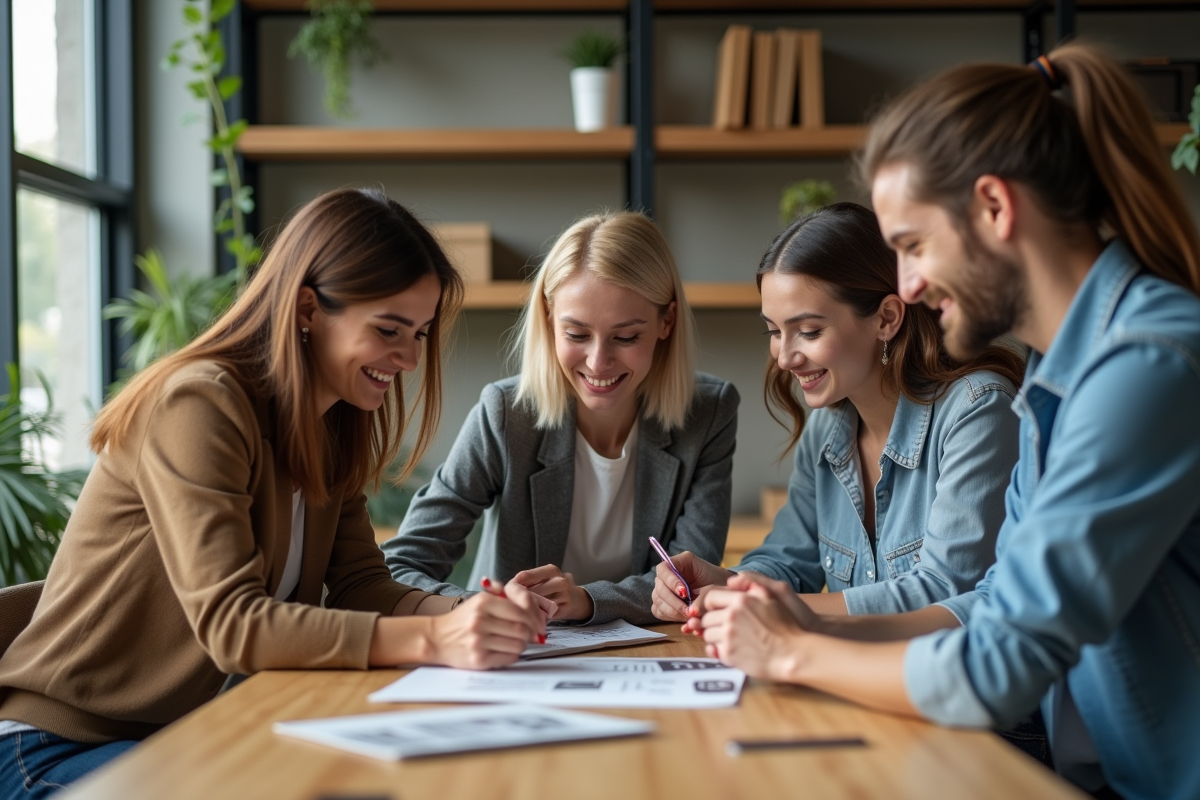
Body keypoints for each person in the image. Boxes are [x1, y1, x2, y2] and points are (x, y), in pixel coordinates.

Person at [693, 44, 1200, 800]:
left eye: (913, 245)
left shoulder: (1147, 364)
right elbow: (989, 604)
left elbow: (997, 666)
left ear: (995, 209)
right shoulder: (1059, 381)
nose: (907, 286)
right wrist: (792, 619)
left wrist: (791, 652)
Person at [0, 188, 548, 798]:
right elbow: (233, 626)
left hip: (172, 738)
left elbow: (360, 585)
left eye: (419, 333)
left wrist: (468, 613)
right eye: (389, 329)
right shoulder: (199, 403)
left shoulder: (330, 426)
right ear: (308, 308)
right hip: (54, 748)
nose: (410, 359)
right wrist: (434, 639)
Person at [651, 202, 1023, 622]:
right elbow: (788, 562)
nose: (785, 358)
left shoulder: (978, 412)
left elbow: (945, 591)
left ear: (886, 318)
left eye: (809, 331)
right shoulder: (827, 429)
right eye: (774, 332)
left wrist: (765, 607)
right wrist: (723, 583)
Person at [382, 211, 739, 625]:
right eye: (577, 334)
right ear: (549, 319)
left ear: (667, 322)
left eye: (626, 337)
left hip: (647, 656)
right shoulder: (505, 414)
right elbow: (399, 568)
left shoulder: (710, 412)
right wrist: (473, 607)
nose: (598, 361)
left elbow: (689, 584)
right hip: (516, 655)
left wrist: (588, 600)